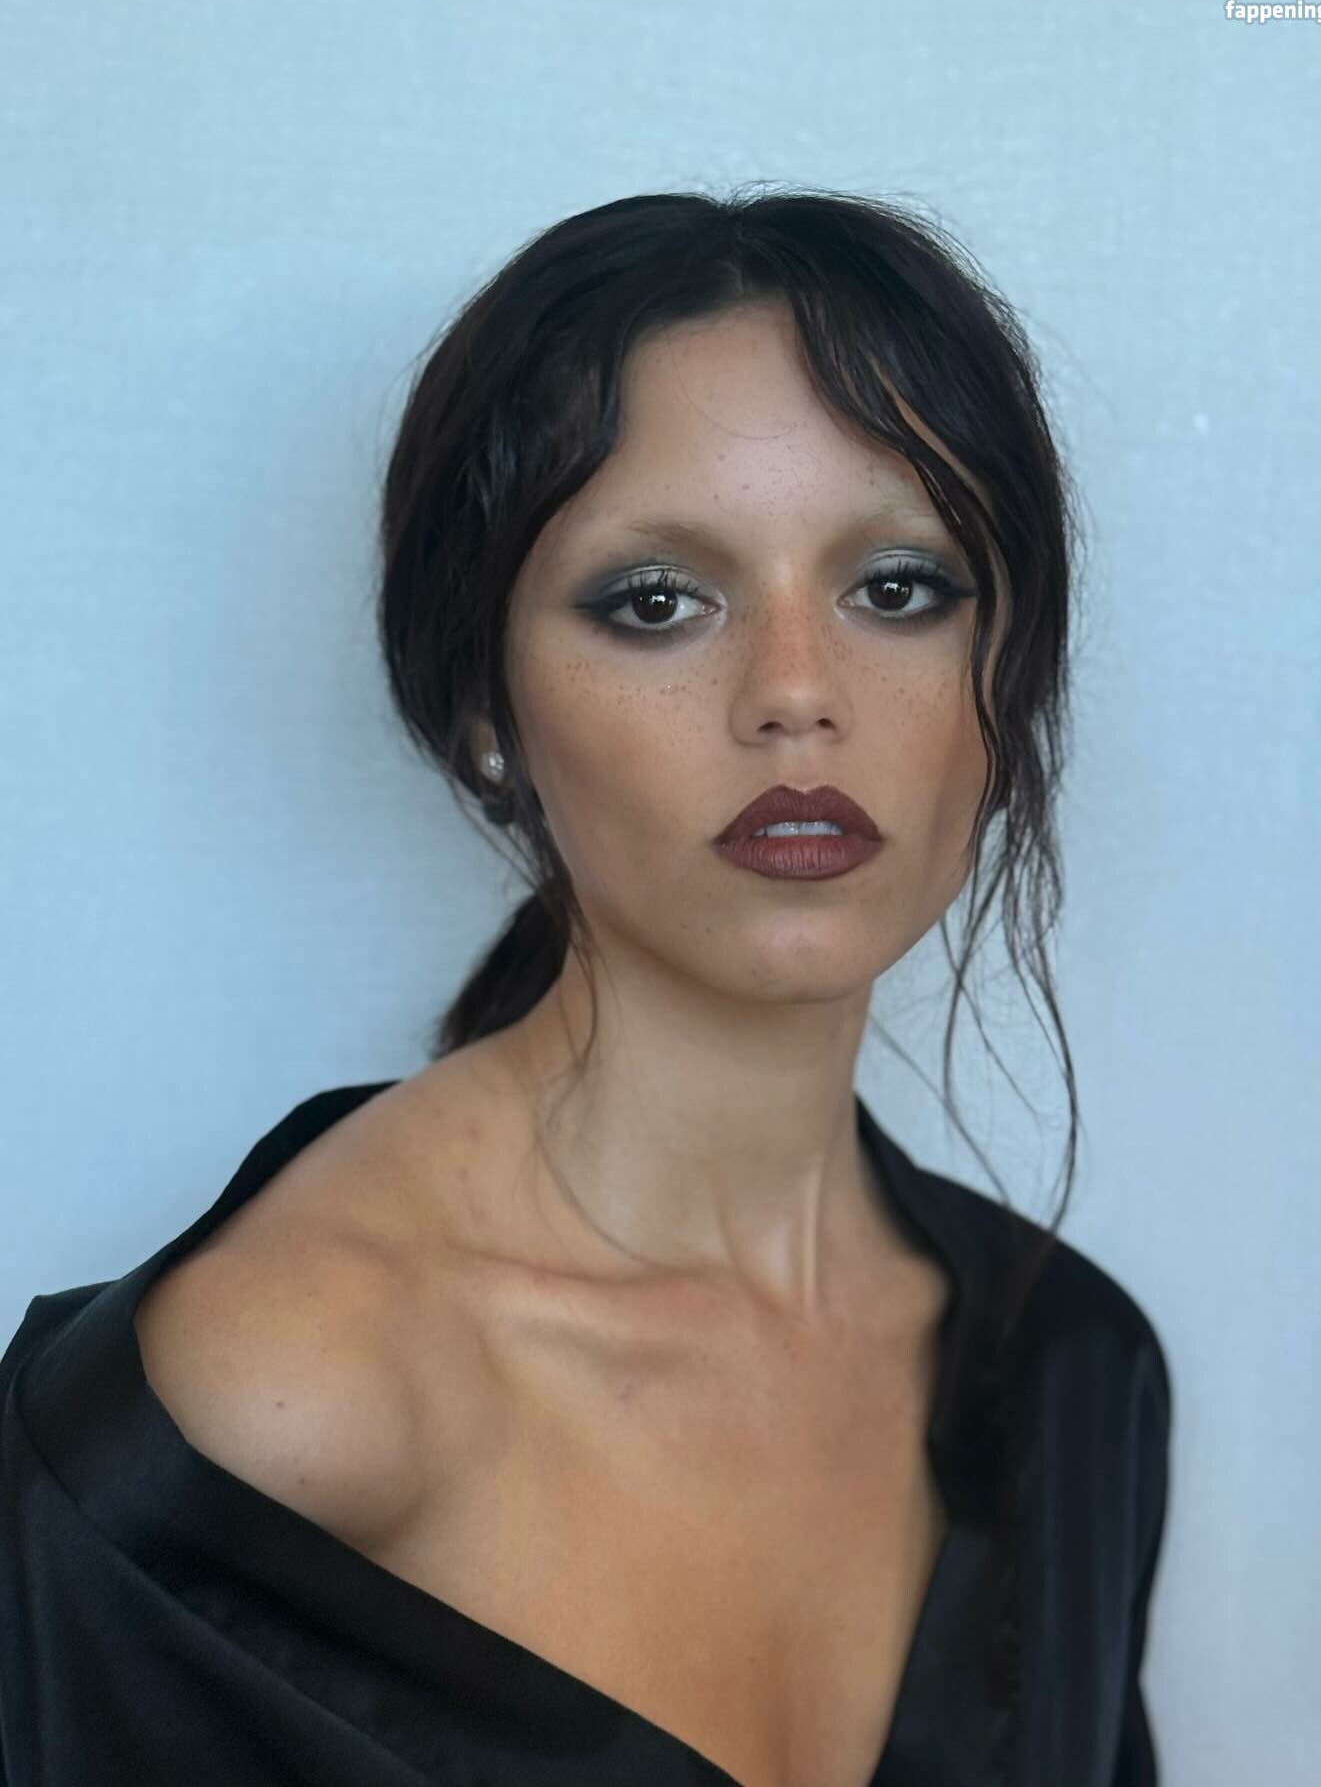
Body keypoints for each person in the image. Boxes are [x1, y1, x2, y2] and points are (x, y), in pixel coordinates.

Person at [0, 187, 1172, 1787]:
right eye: (657, 600)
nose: (797, 693)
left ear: (1010, 671)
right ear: (484, 707)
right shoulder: (266, 1405)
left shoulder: (1073, 1378)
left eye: (898, 586)